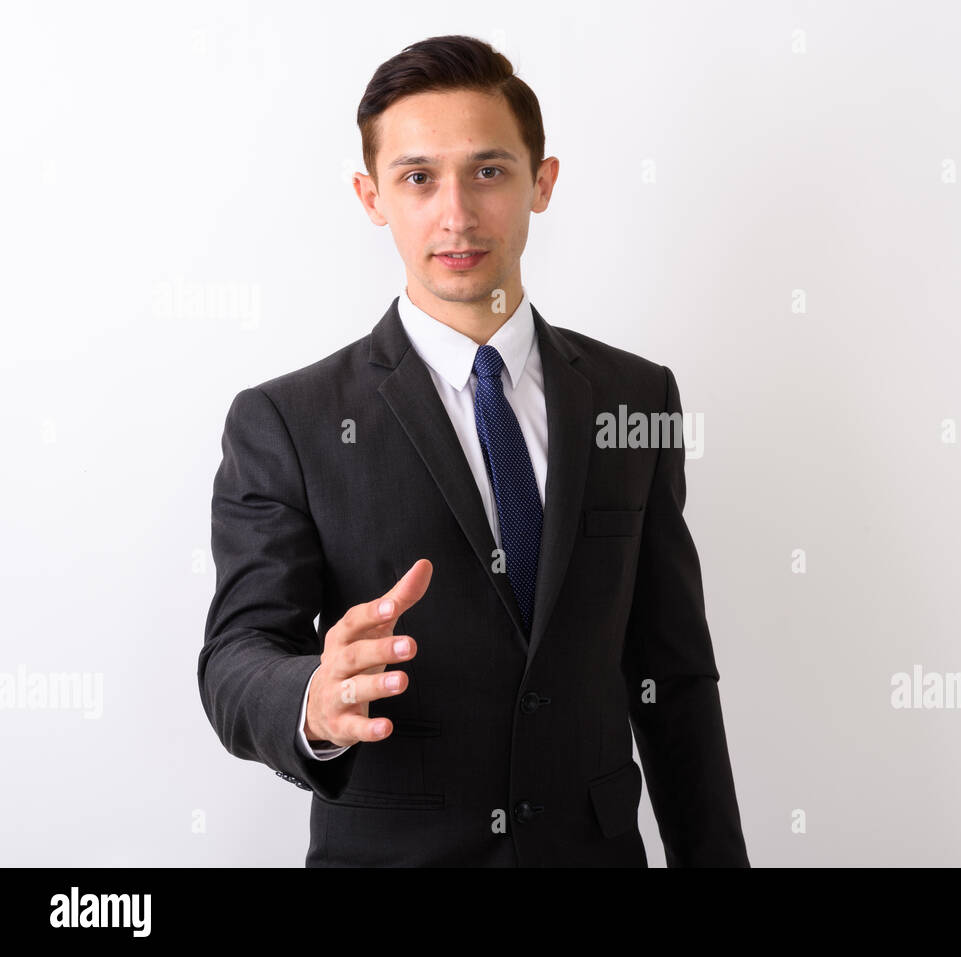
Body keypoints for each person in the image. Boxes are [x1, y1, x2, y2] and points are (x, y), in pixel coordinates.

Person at [197, 34, 749, 867]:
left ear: (542, 182)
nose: (455, 213)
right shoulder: (286, 421)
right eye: (418, 177)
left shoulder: (637, 398)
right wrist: (312, 697)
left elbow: (672, 674)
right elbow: (236, 657)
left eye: (488, 171)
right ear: (371, 195)